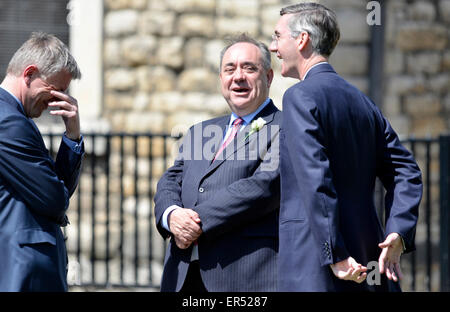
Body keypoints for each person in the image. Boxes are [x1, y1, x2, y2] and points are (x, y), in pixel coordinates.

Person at [269, 3, 422, 291]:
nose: (273, 46)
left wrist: (335, 253)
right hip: (369, 260)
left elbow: (316, 178)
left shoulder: (299, 97)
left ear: (302, 40)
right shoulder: (363, 102)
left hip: (318, 266)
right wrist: (398, 232)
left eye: (278, 36)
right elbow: (407, 172)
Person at [154, 34, 281, 292]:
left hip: (241, 279)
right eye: (229, 69)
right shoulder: (201, 130)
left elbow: (263, 187)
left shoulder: (285, 126)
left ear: (268, 77)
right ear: (221, 79)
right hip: (182, 274)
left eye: (249, 68)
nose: (238, 77)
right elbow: (171, 179)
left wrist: (193, 223)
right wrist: (171, 216)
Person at [0, 32, 84, 291]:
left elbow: (54, 193)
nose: (57, 100)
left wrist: (72, 136)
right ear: (29, 73)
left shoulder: (16, 118)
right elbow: (56, 198)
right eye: (56, 90)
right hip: (23, 272)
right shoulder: (8, 122)